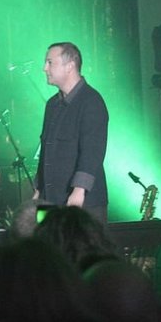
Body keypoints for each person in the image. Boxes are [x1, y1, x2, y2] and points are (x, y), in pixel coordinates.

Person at [33, 42, 109, 223]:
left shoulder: (91, 101)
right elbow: (46, 150)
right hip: (49, 200)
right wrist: (38, 189)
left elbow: (93, 151)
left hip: (83, 202)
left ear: (70, 66)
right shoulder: (52, 104)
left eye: (50, 62)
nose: (44, 68)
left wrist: (79, 190)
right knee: (46, 240)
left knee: (83, 242)